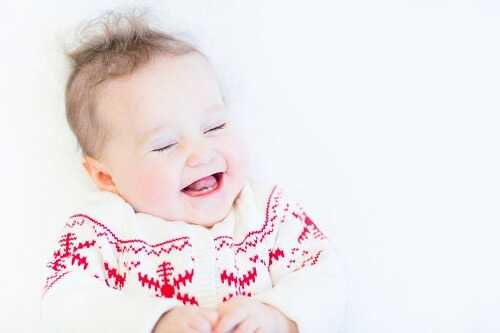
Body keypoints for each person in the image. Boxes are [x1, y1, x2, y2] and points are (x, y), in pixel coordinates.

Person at [40, 10, 346, 333]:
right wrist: (154, 320)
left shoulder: (265, 210)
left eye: (214, 126)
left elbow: (325, 276)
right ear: (106, 177)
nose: (201, 154)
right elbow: (64, 302)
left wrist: (277, 316)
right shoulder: (104, 230)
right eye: (165, 145)